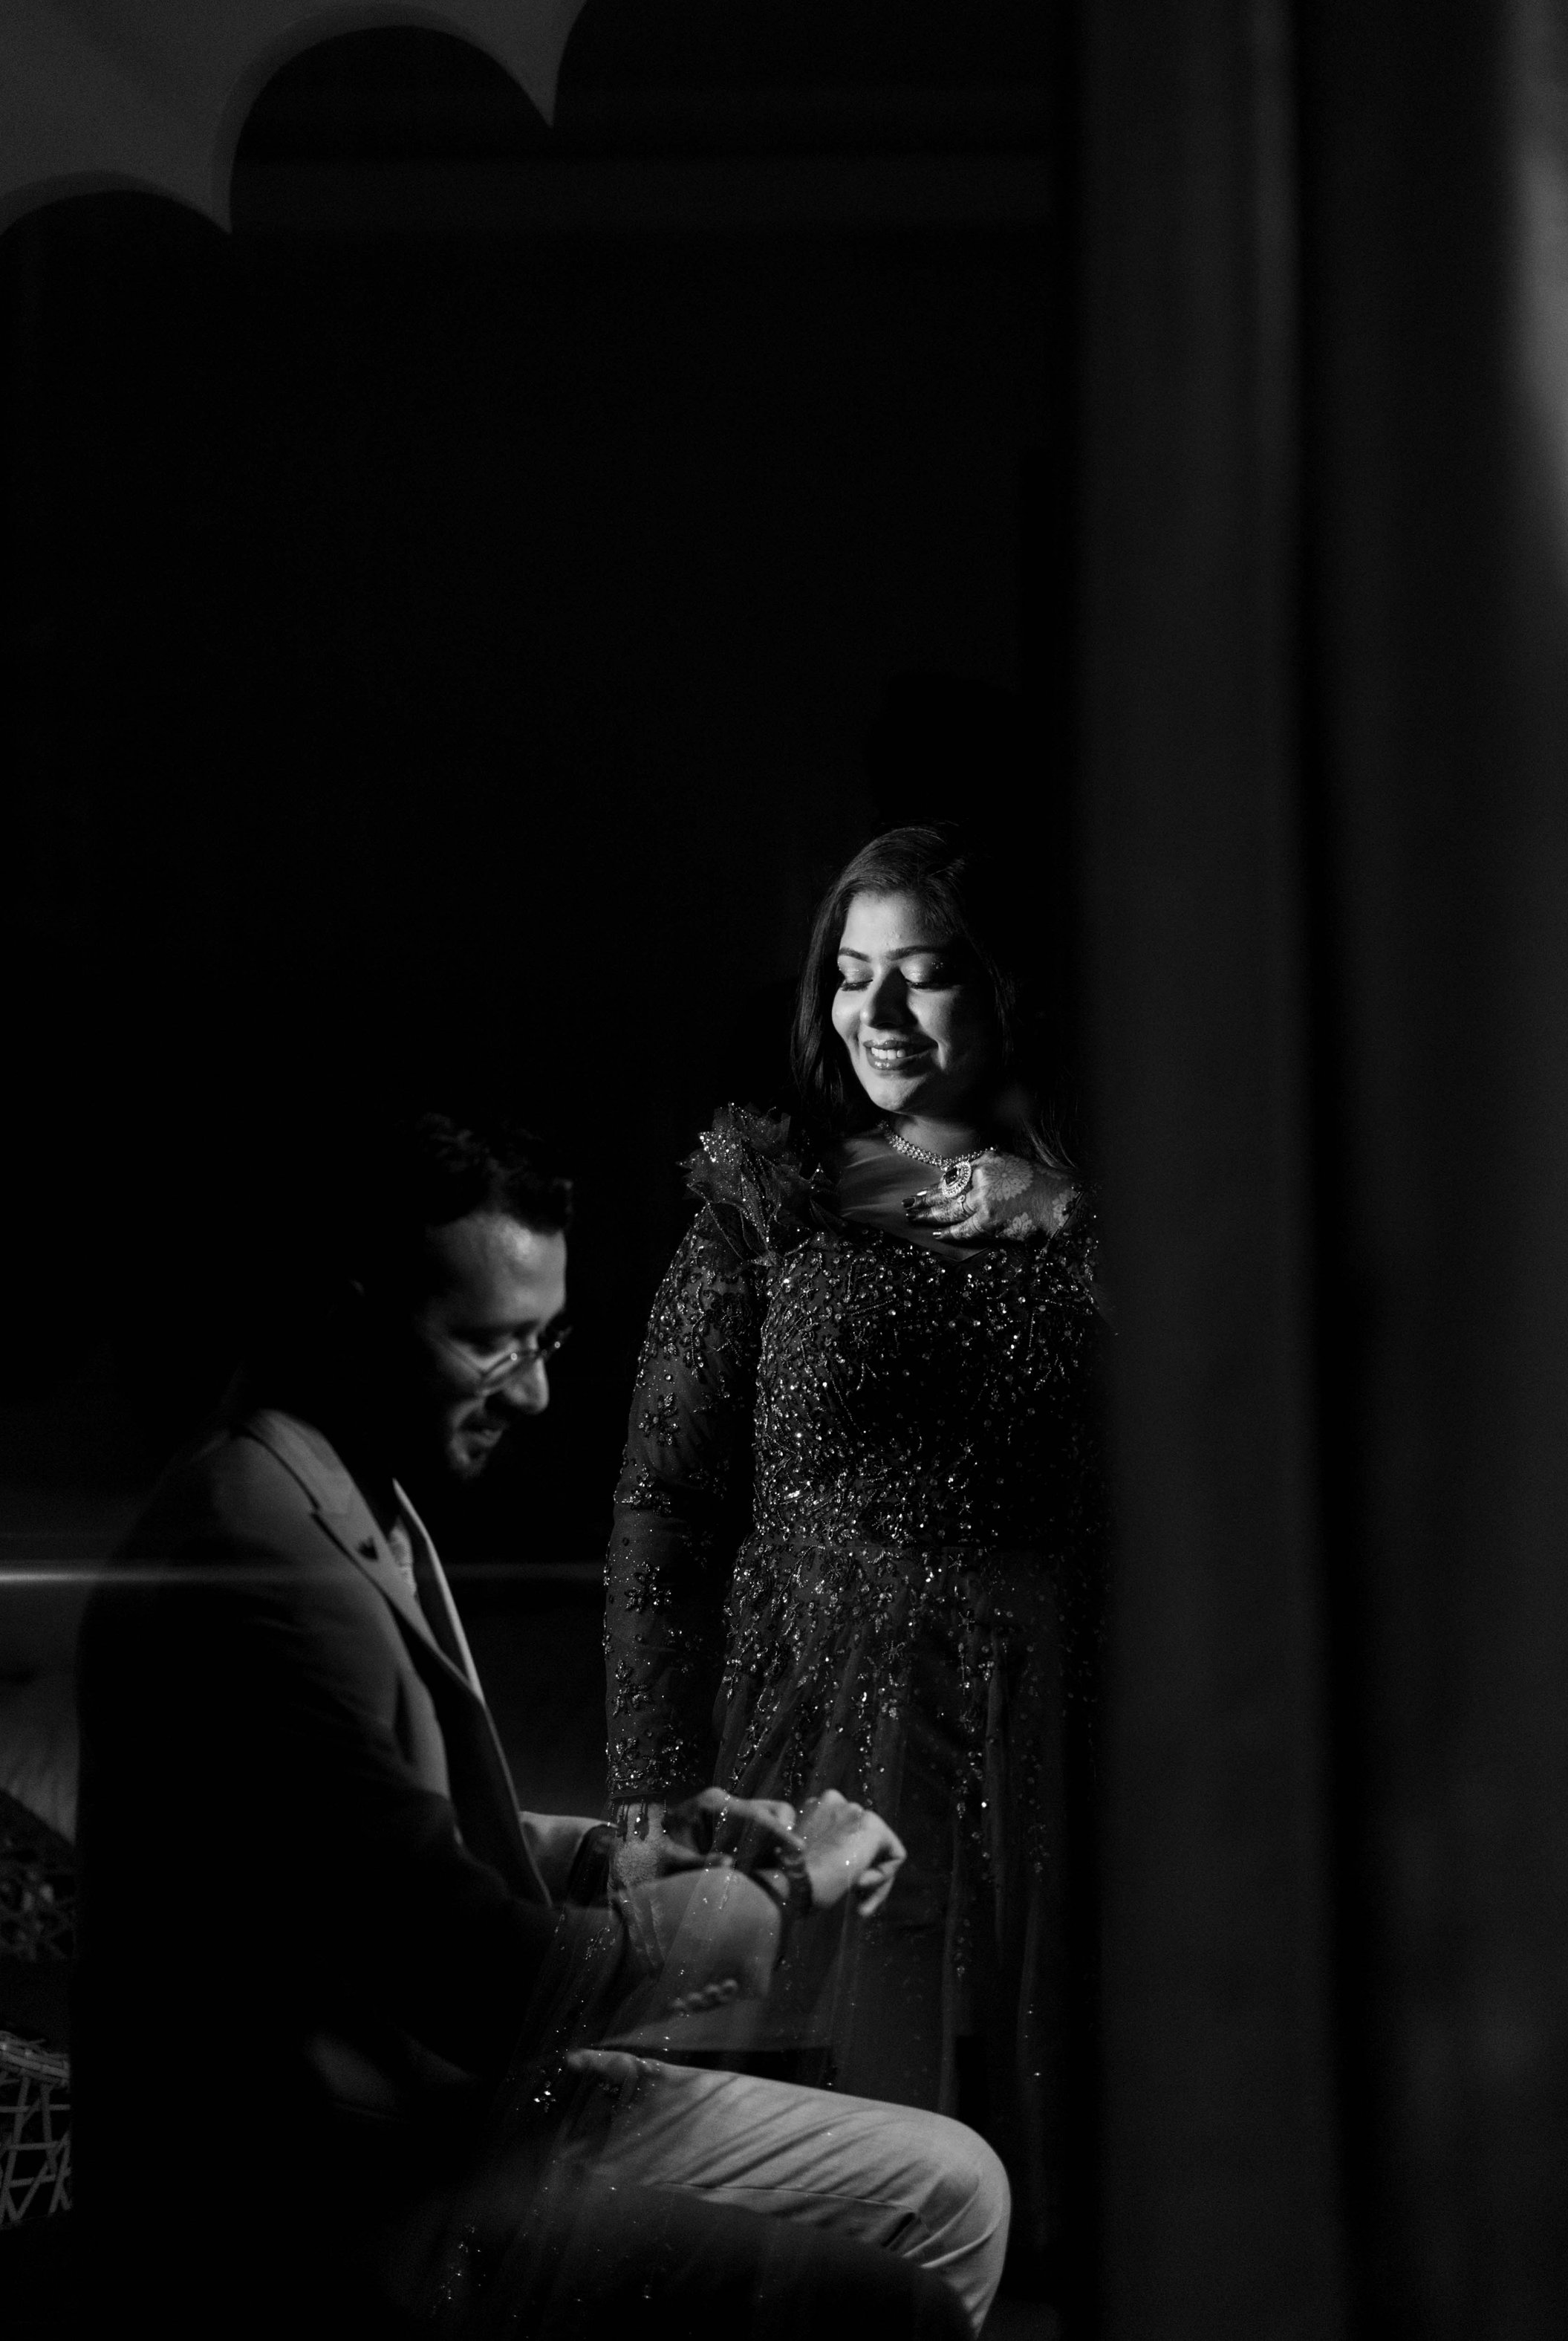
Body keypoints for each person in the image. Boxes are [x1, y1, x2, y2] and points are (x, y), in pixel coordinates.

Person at [75, 1114, 1007, 2341]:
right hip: (343, 2195)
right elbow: (481, 1980)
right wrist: (788, 1880)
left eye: (545, 1337)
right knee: (897, 2300)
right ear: (346, 1315)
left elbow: (382, 1846)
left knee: (956, 2183)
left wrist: (641, 1852)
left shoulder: (335, 1479)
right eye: (488, 1342)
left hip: (435, 2110)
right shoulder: (256, 1559)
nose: (535, 1390)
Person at [605, 826, 1104, 2269]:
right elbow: (662, 1508)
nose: (874, 1013)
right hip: (825, 1739)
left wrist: (1071, 1213)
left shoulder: (1108, 1205)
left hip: (1057, 1756)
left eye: (921, 975)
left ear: (1003, 990)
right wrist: (650, 1783)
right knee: (837, 2214)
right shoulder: (771, 1210)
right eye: (848, 973)